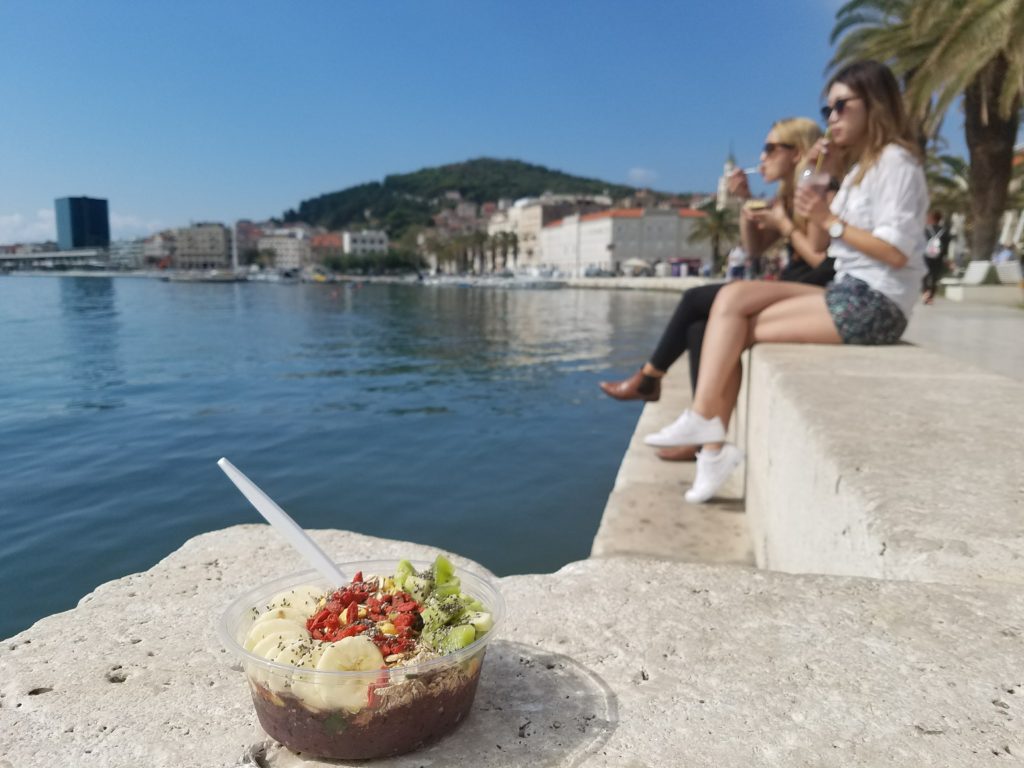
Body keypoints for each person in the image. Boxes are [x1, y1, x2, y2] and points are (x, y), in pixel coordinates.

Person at [644, 59, 928, 503]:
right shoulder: (858, 171)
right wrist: (817, 174)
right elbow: (810, 201)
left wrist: (828, 219)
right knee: (729, 309)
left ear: (874, 103)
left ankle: (706, 432)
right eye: (826, 109)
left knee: (729, 314)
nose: (830, 117)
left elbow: (896, 251)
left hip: (875, 304)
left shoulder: (897, 163)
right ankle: (710, 442)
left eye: (840, 106)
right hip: (850, 290)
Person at [599, 117, 834, 460]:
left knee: (695, 298)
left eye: (770, 149)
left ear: (796, 153)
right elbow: (754, 248)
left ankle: (649, 377)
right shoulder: (786, 197)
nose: (762, 158)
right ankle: (703, 432)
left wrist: (785, 224)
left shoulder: (817, 190)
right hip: (792, 285)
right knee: (697, 328)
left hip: (813, 290)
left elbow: (821, 260)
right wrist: (745, 202)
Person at [921, 210, 950, 304]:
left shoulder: (926, 230)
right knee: (935, 277)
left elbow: (921, 243)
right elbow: (946, 246)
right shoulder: (944, 231)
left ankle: (925, 293)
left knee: (925, 275)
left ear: (932, 218)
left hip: (926, 256)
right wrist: (945, 257)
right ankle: (930, 297)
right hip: (939, 257)